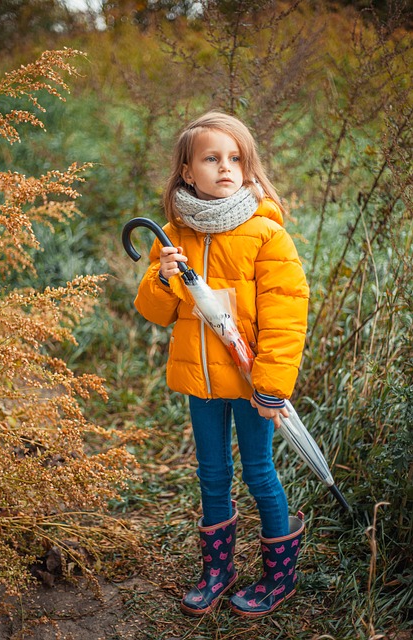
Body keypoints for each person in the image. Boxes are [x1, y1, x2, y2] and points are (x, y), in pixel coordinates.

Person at [133, 111, 309, 618]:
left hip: (253, 381)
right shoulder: (173, 236)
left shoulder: (264, 234)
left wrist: (272, 382)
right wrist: (162, 277)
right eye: (212, 158)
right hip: (201, 382)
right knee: (212, 473)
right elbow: (155, 312)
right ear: (188, 170)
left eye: (236, 158)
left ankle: (279, 576)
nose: (225, 167)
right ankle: (219, 571)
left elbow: (287, 312)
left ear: (248, 167)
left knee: (258, 471)